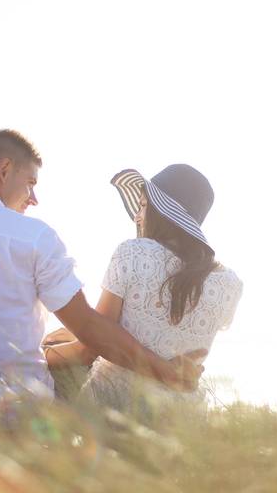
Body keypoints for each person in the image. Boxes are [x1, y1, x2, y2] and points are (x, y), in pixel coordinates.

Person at [0, 129, 204, 399]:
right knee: (85, 361)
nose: (33, 198)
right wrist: (168, 373)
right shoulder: (33, 237)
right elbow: (91, 331)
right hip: (17, 415)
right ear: (4, 170)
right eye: (30, 182)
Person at [44, 164, 243, 417]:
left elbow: (91, 347)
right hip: (181, 416)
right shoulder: (230, 284)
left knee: (52, 374)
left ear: (159, 212)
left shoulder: (133, 253)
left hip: (114, 405)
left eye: (143, 206)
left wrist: (42, 353)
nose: (138, 216)